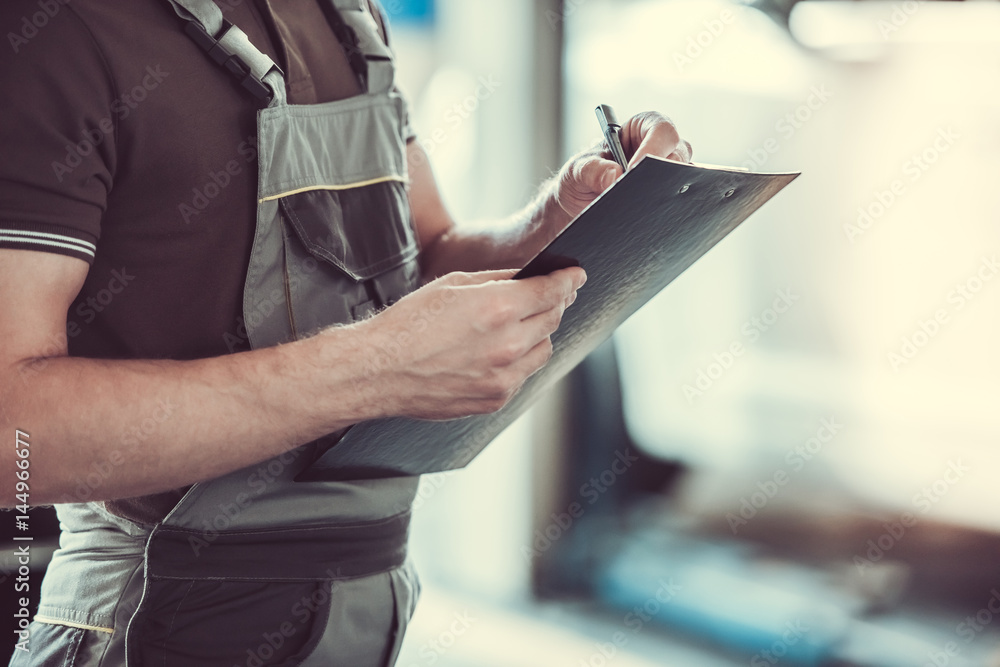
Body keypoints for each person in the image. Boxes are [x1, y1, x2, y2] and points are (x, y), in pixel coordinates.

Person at [0, 0, 692, 665]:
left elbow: (423, 254)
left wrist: (552, 224)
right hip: (151, 617)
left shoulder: (347, 16)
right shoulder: (56, 27)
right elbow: (12, 437)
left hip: (363, 610)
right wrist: (374, 367)